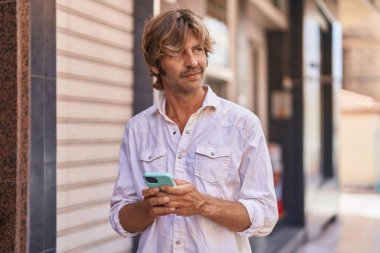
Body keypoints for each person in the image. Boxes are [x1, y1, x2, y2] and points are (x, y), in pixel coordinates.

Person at [109, 8, 278, 253]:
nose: (193, 62)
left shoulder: (242, 124)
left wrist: (202, 204)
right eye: (178, 52)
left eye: (198, 49)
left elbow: (265, 215)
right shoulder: (138, 129)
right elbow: (120, 218)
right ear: (156, 66)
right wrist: (147, 209)